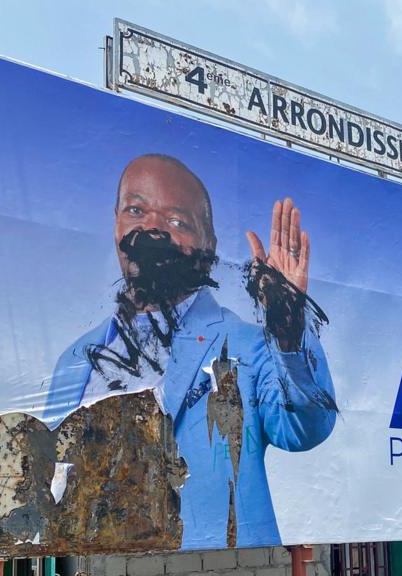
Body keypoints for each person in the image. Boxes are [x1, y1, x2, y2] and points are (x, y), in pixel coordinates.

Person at [42, 153, 337, 549]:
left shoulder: (248, 344)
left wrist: (288, 324)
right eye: (136, 209)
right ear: (115, 222)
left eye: (177, 221)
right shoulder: (74, 361)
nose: (151, 228)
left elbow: (306, 428)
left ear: (208, 245)